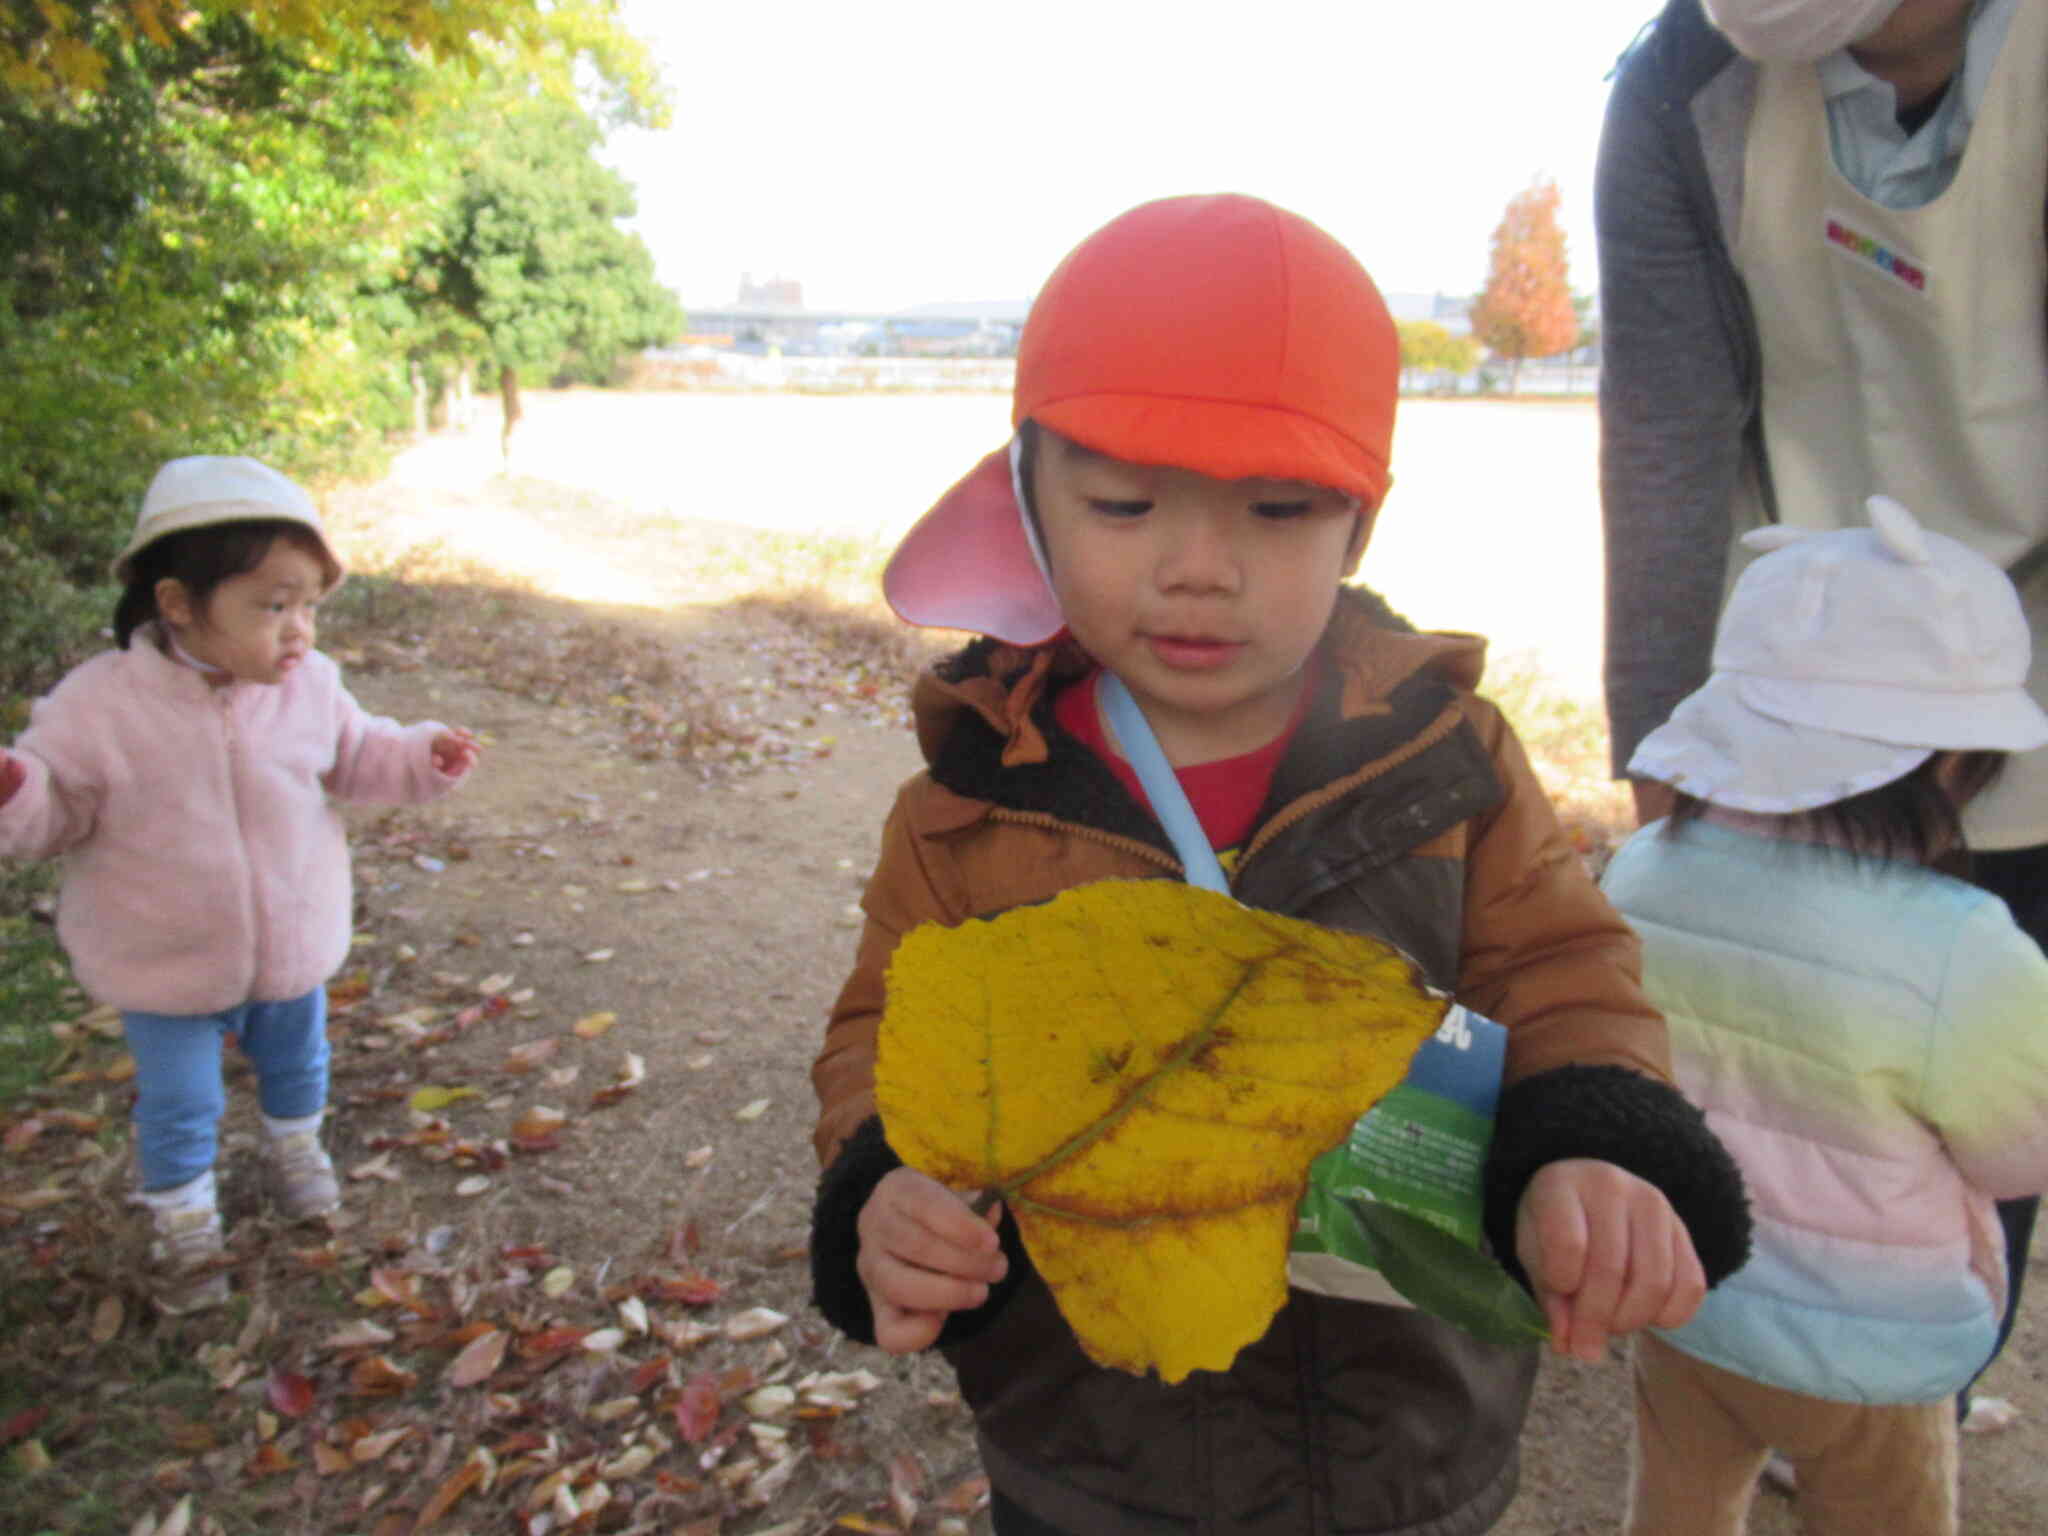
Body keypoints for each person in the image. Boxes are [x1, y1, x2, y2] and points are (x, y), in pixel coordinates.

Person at [806, 193, 1752, 1536]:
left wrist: (1592, 1149)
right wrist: (885, 1190)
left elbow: (1564, 971)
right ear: (1029, 497)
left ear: (1359, 525)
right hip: (1090, 1461)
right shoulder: (971, 807)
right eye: (1125, 504)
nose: (1202, 569)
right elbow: (880, 1042)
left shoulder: (1451, 761)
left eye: (1277, 510)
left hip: (1410, 1451)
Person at [1595, 0, 2048, 1414]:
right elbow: (1666, 441)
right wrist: (1664, 749)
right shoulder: (1681, 88)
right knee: (1769, 1046)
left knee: (1982, 1033)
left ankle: (1926, 1365)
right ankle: (1770, 1348)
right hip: (1793, 657)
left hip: (2020, 654)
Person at [1602, 496, 2048, 1535]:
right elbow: (2018, 1152)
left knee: (1673, 1511)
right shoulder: (1960, 947)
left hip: (1684, 1300)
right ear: (1949, 762)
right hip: (1872, 1349)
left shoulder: (1638, 873)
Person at [0, 455, 480, 1312]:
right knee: (182, 1102)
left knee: (300, 1066)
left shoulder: (310, 688)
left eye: (307, 607)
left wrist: (419, 755)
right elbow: (55, 811)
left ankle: (296, 1150)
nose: (299, 631)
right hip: (164, 961)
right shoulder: (99, 706)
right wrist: (17, 794)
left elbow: (359, 755)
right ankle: (185, 1223)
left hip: (290, 945)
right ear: (178, 603)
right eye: (272, 606)